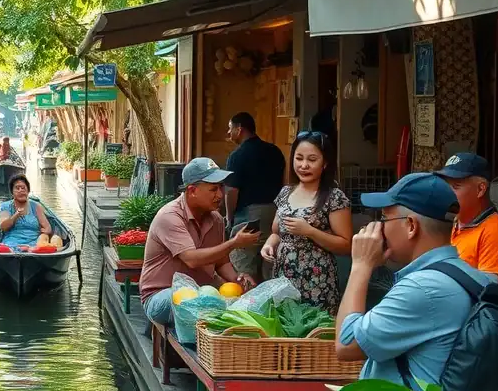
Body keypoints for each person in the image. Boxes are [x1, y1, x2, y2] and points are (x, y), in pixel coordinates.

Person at [247, 173, 494, 391]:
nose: (376, 227)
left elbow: (346, 345)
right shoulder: (468, 276)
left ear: (411, 226)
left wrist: (360, 265)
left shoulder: (423, 288)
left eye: (385, 217)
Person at [140, 157, 259, 327]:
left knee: (240, 301)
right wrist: (234, 243)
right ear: (192, 190)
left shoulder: (216, 219)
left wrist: (238, 279)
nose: (220, 195)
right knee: (192, 302)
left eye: (221, 187)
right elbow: (192, 259)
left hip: (203, 295)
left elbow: (221, 262)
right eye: (213, 189)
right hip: (161, 296)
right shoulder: (170, 217)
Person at [261, 132, 352, 312]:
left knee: (313, 331)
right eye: (299, 158)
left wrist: (310, 231)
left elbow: (346, 245)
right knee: (285, 327)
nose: (304, 165)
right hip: (283, 276)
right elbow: (276, 232)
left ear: (325, 163)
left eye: (312, 159)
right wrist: (268, 245)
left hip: (317, 280)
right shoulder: (285, 193)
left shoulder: (334, 197)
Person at [224, 112, 286, 281]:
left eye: (230, 129)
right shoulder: (275, 151)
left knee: (242, 265)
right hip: (275, 214)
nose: (228, 133)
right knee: (270, 262)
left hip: (249, 216)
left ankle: (245, 303)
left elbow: (231, 191)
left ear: (240, 129)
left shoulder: (237, 156)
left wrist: (229, 218)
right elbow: (284, 183)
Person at [435, 152, 498, 277]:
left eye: (455, 187)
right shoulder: (451, 221)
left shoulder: (495, 231)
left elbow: (488, 290)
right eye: (446, 186)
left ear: (480, 189)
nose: (446, 193)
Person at [0, 174, 62, 251]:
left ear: (28, 190)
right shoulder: (5, 206)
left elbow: (48, 228)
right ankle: (11, 251)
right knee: (4, 249)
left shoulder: (36, 206)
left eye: (23, 188)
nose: (20, 190)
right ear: (12, 192)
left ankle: (35, 250)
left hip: (33, 243)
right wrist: (16, 215)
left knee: (40, 247)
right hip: (11, 242)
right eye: (17, 188)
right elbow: (3, 227)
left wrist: (43, 233)